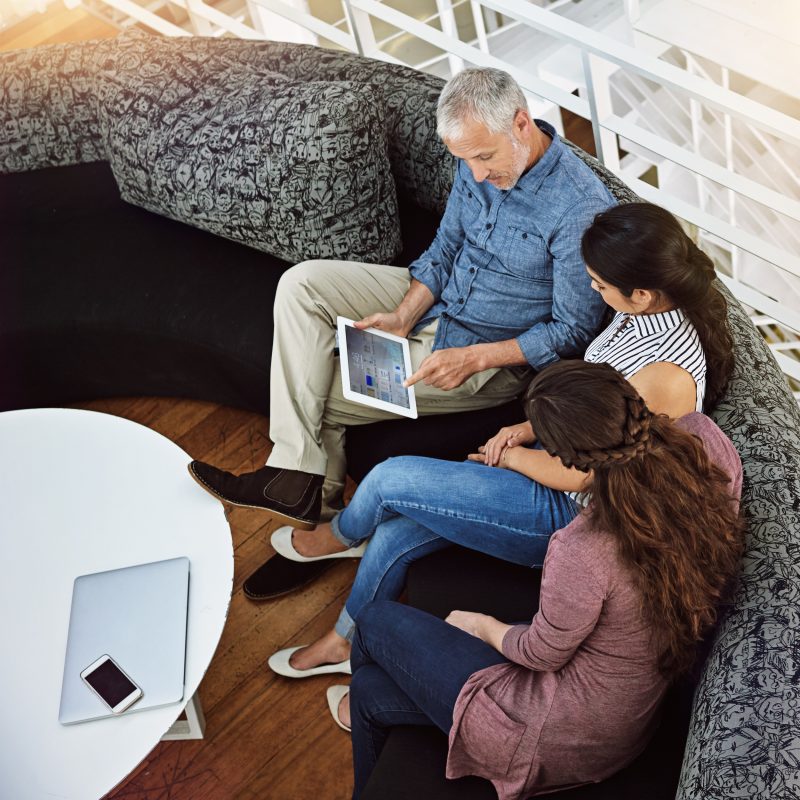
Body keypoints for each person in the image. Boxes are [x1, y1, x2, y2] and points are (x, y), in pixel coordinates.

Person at [265, 202, 735, 676]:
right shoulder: (637, 315)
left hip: (574, 511)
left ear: (642, 293)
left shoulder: (665, 377)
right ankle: (343, 642)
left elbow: (582, 475)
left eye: (600, 285)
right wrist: (523, 429)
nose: (593, 290)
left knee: (389, 480)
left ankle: (341, 534)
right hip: (552, 456)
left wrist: (511, 459)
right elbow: (589, 406)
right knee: (394, 533)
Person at [187, 66, 613, 545]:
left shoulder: (579, 210)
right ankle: (297, 484)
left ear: (520, 123)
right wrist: (402, 316)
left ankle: (317, 519)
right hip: (433, 302)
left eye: (483, 157)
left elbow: (571, 330)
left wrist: (475, 358)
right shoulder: (477, 159)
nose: (475, 173)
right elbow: (446, 247)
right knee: (302, 283)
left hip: (486, 355)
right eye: (465, 160)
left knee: (319, 394)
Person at [332, 361, 745, 799]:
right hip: (629, 719)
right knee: (370, 694)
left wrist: (482, 626)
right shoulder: (707, 443)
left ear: (570, 460)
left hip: (553, 736)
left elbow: (542, 653)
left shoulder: (584, 547)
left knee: (375, 620)